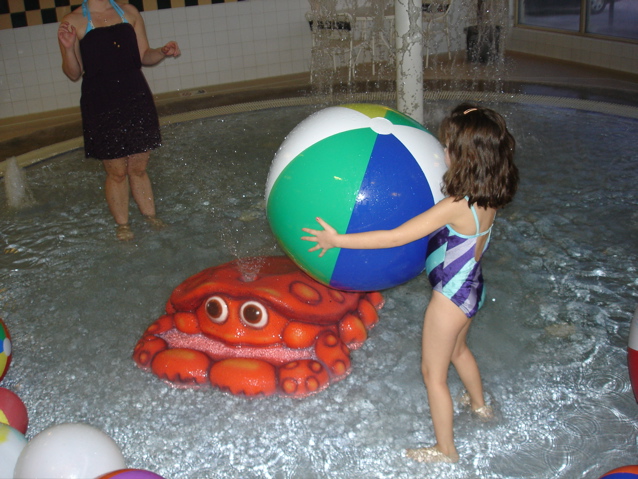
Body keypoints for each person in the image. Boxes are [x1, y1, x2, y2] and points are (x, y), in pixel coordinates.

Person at [301, 103, 519, 463]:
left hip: (449, 300)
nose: (442, 151)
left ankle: (445, 449)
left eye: (447, 146)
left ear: (463, 158)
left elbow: (395, 236)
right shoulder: (489, 198)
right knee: (460, 351)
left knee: (433, 374)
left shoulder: (456, 205)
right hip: (473, 289)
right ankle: (480, 406)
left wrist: (337, 241)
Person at [57, 0, 180, 241]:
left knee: (138, 167)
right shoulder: (73, 21)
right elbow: (73, 73)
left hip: (135, 94)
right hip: (101, 100)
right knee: (116, 172)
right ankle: (123, 224)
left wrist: (162, 52)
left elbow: (145, 56)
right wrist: (69, 48)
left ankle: (150, 216)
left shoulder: (129, 12)